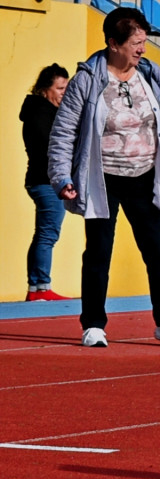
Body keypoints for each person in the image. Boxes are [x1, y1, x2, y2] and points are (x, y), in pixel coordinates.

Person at [48, 7, 160, 348]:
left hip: (144, 176)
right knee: (98, 254)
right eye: (136, 43)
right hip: (101, 179)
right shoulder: (87, 79)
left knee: (157, 253)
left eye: (144, 42)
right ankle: (93, 324)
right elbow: (63, 131)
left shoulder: (152, 75)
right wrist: (61, 176)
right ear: (113, 43)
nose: (142, 49)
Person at [21, 63, 71, 302]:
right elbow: (48, 148)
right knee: (47, 234)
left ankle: (37, 287)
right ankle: (41, 287)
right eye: (60, 88)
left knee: (43, 233)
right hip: (46, 181)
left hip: (42, 180)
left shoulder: (41, 111)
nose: (64, 93)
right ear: (45, 90)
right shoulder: (42, 113)